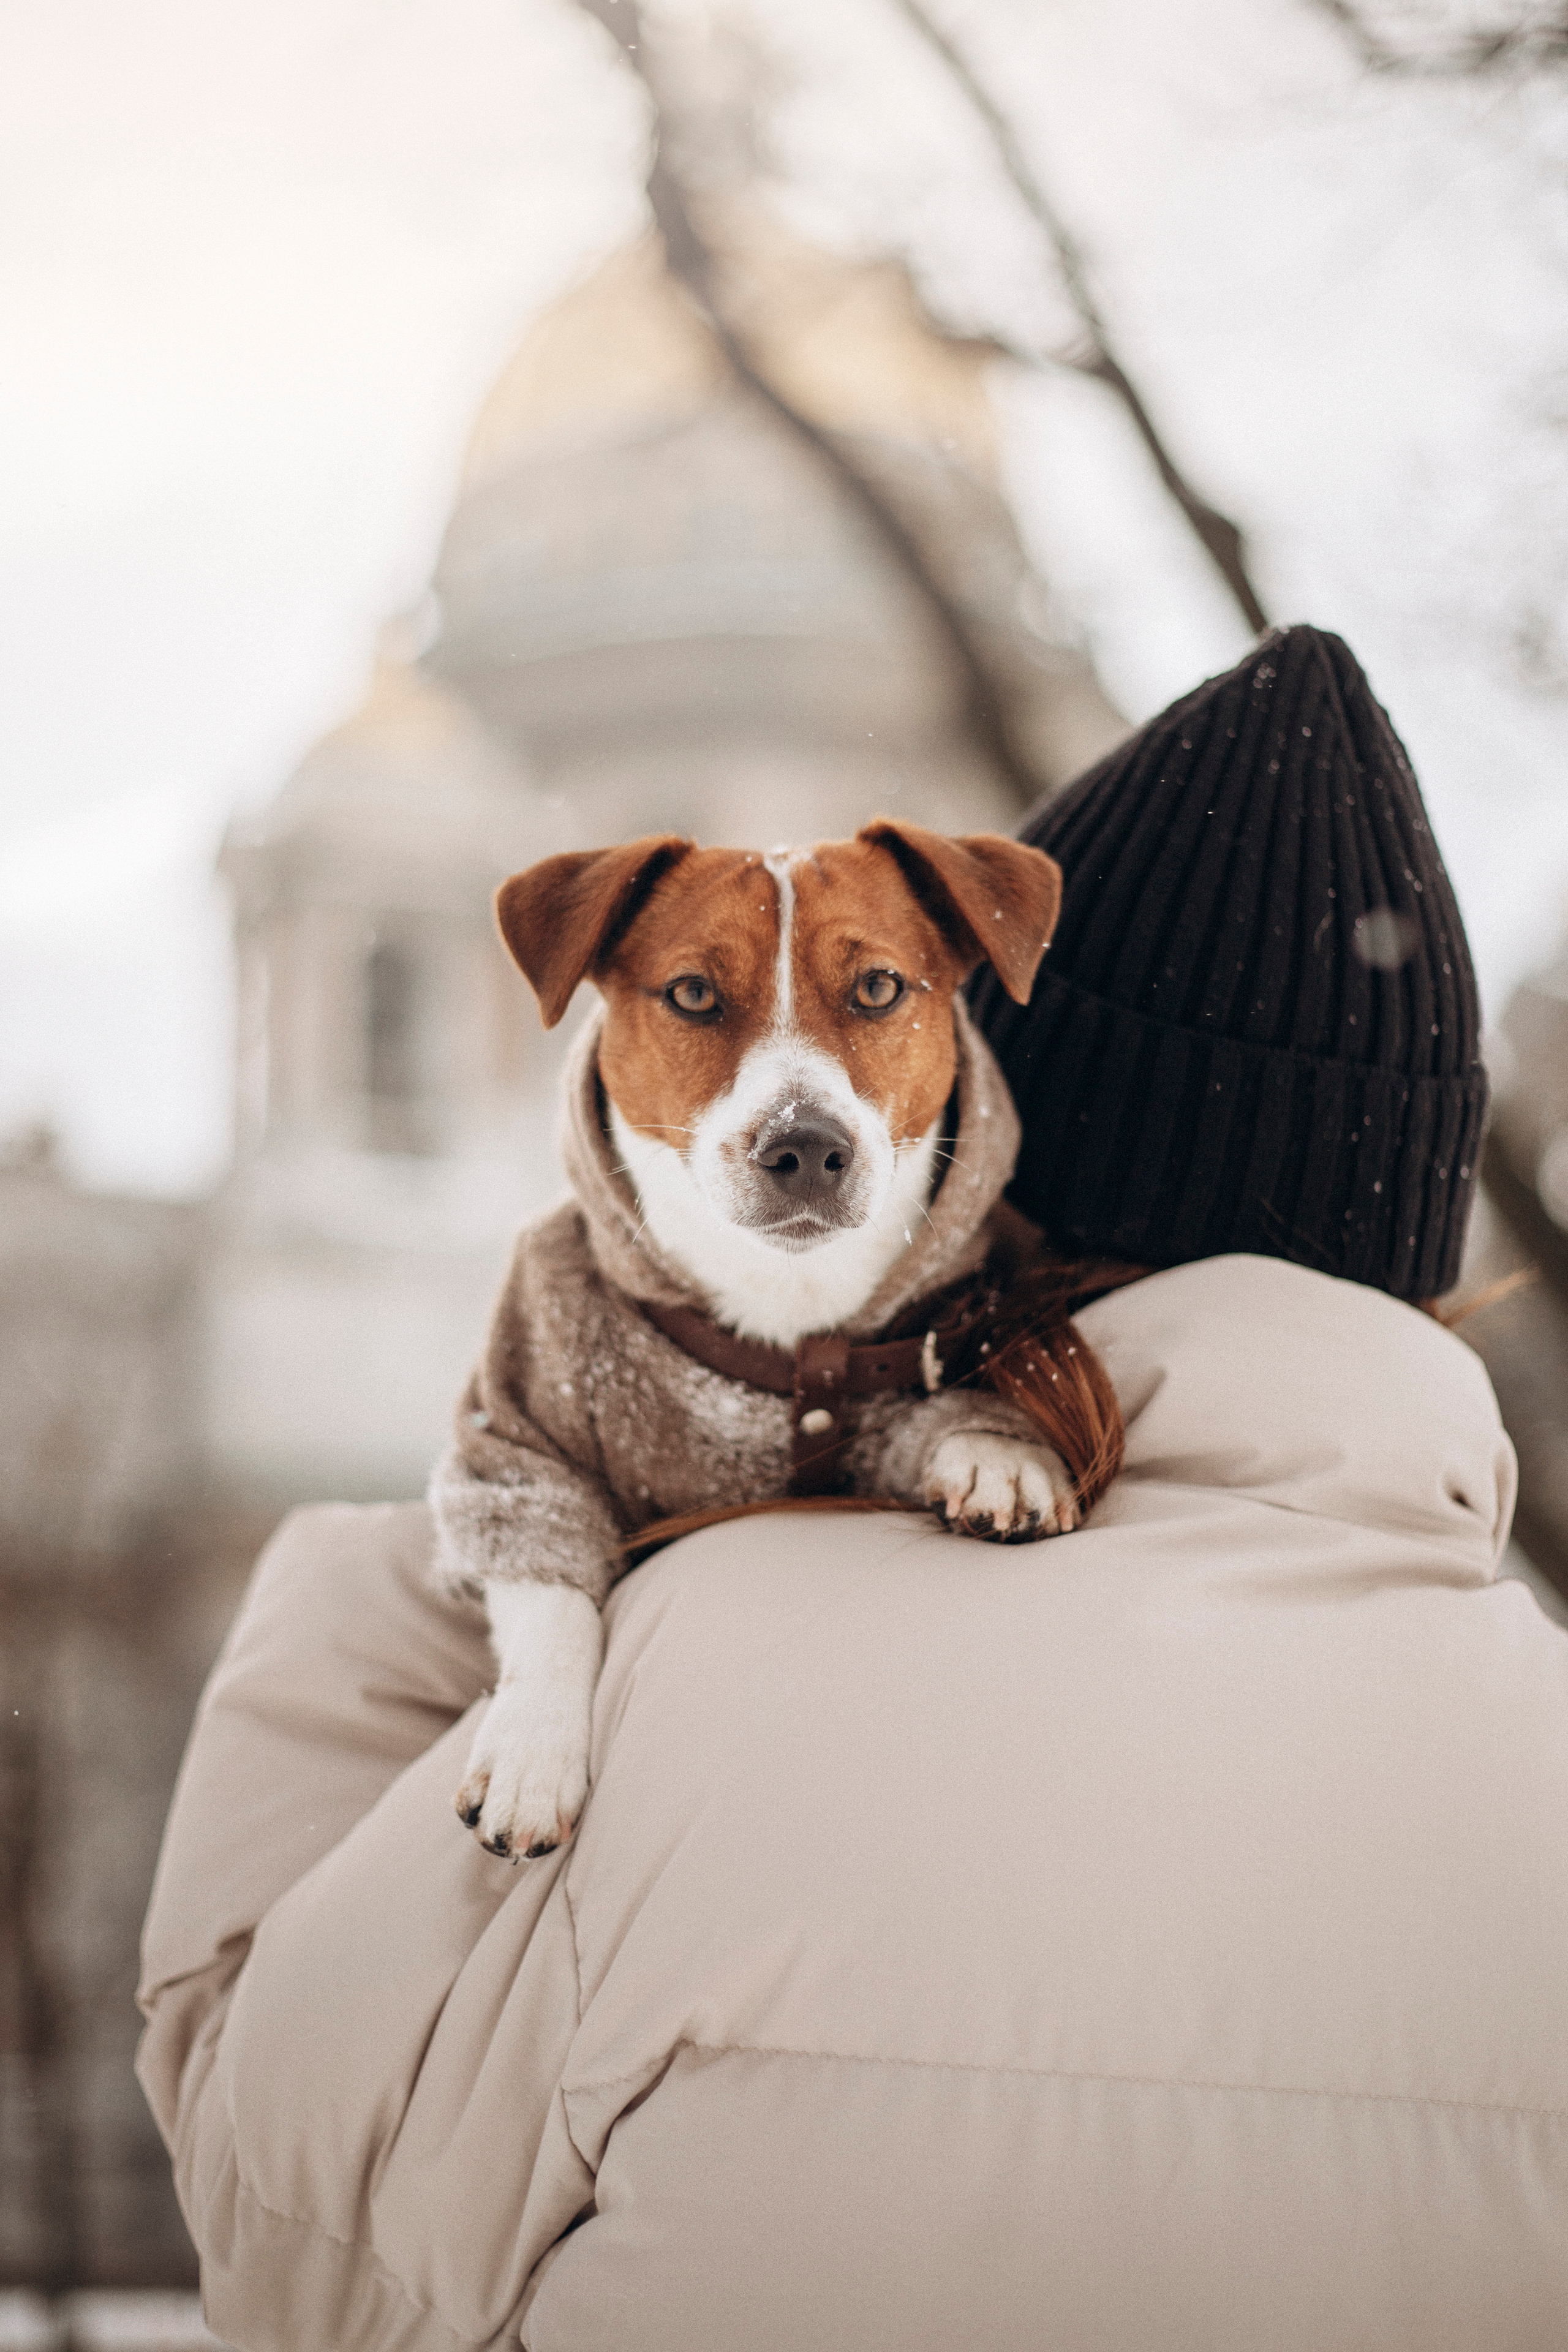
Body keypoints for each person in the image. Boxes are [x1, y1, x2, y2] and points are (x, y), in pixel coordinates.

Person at [137, 628, 1568, 2351]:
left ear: (977, 1127)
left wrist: (378, 1592)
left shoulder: (672, 1687)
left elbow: (278, 2228)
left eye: (872, 1000)